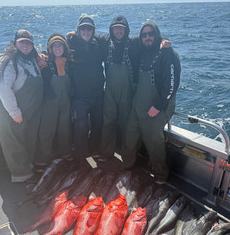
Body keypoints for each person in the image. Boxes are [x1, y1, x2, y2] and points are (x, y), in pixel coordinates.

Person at [122, 21, 181, 184]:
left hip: (158, 106)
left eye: (151, 34)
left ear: (157, 35)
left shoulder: (169, 54)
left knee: (153, 138)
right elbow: (123, 39)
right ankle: (127, 165)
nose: (147, 37)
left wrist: (158, 106)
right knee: (129, 134)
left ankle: (160, 173)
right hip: (138, 104)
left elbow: (171, 85)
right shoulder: (143, 50)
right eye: (144, 35)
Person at [0, 30, 43, 182]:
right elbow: (3, 88)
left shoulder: (31, 59)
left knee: (27, 138)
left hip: (28, 109)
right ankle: (21, 175)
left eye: (28, 42)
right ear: (15, 43)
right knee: (14, 141)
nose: (25, 45)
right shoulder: (7, 60)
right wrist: (14, 112)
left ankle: (28, 167)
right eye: (22, 42)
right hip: (12, 110)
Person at [96, 15, 141, 162]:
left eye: (121, 28)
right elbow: (90, 33)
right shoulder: (104, 40)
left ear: (126, 30)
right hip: (109, 91)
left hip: (127, 92)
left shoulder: (134, 42)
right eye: (116, 28)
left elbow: (152, 36)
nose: (118, 31)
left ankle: (128, 157)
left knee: (127, 125)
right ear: (111, 30)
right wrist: (73, 34)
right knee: (108, 122)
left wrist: (163, 41)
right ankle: (106, 153)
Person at [67, 14, 105, 161]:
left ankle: (95, 149)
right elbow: (55, 50)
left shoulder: (98, 45)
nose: (86, 31)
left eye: (89, 29)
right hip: (79, 95)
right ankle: (81, 154)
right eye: (83, 28)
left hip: (97, 94)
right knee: (80, 126)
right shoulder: (70, 44)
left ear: (93, 31)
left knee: (97, 123)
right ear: (78, 30)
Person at [35, 34, 73, 166]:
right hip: (50, 102)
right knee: (47, 129)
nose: (57, 48)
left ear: (64, 47)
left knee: (65, 127)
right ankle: (42, 158)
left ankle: (65, 152)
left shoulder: (70, 63)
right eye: (54, 46)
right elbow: (31, 57)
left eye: (60, 45)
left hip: (66, 101)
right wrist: (38, 55)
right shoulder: (44, 63)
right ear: (50, 49)